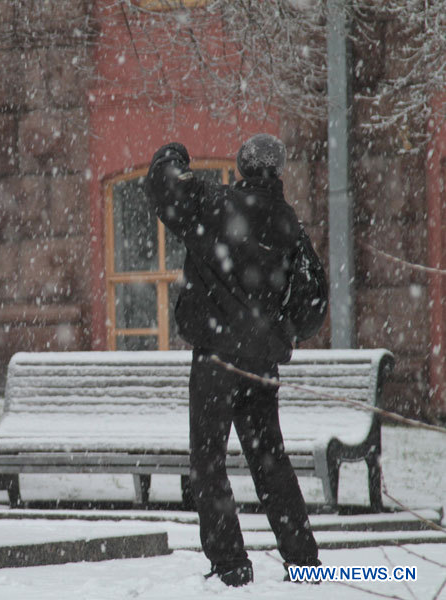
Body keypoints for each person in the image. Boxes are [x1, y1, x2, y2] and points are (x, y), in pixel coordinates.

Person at [145, 134, 328, 586]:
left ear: (242, 168)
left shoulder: (212, 203)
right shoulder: (288, 224)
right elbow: (315, 298)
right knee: (271, 460)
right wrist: (282, 330)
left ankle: (230, 564)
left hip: (216, 360)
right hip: (260, 364)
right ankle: (303, 560)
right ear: (277, 171)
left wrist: (173, 153)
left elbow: (162, 187)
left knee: (209, 462)